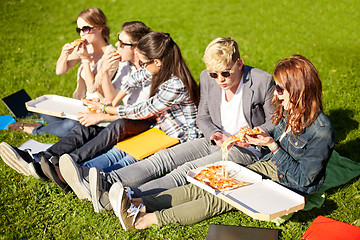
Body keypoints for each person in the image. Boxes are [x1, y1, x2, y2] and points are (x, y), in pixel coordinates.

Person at [110, 54, 336, 231]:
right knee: (215, 184)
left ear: (299, 90)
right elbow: (275, 138)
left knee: (222, 199)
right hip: (270, 166)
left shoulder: (321, 131)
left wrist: (272, 146)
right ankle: (139, 203)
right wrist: (259, 138)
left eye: (280, 89)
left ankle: (147, 220)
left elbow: (302, 179)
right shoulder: (290, 109)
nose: (276, 95)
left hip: (290, 186)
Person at [84, 37, 275, 213]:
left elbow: (274, 121)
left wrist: (252, 135)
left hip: (247, 148)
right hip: (213, 139)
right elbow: (203, 117)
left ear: (239, 64)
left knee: (187, 170)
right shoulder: (207, 78)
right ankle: (104, 182)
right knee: (163, 158)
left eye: (225, 73)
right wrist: (214, 133)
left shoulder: (261, 81)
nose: (220, 80)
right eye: (214, 74)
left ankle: (123, 197)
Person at [59, 31, 202, 204]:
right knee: (120, 149)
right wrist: (114, 102)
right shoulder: (158, 69)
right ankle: (81, 171)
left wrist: (105, 109)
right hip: (162, 129)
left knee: (131, 157)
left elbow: (141, 110)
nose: (141, 66)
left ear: (156, 61)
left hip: (179, 138)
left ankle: (93, 181)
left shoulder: (175, 84)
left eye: (143, 62)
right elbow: (135, 78)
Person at [0, 21, 151, 183]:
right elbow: (111, 101)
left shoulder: (150, 73)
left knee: (115, 124)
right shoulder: (126, 66)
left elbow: (139, 115)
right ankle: (40, 158)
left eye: (121, 43)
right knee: (84, 127)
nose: (117, 45)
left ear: (135, 48)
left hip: (141, 123)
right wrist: (105, 73)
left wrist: (102, 116)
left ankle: (66, 164)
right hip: (122, 116)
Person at [8, 8, 119, 137]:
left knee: (70, 126)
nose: (81, 34)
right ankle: (57, 125)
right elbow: (60, 71)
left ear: (99, 28)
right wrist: (64, 54)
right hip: (80, 103)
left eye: (85, 29)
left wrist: (85, 59)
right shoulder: (86, 47)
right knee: (42, 107)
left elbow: (92, 87)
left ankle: (33, 129)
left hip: (99, 108)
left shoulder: (111, 56)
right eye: (79, 30)